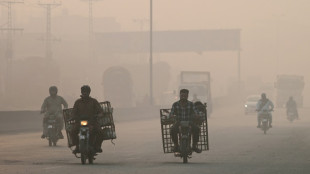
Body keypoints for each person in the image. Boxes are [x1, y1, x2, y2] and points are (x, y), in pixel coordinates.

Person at [70, 85, 104, 154]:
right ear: (81, 92)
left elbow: (100, 111)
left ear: (89, 92)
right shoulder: (77, 102)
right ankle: (77, 146)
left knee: (101, 132)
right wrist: (73, 116)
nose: (85, 93)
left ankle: (97, 146)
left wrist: (99, 115)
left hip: (92, 122)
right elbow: (73, 112)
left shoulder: (94, 101)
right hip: (80, 122)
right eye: (83, 92)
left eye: (86, 92)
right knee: (72, 132)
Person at [169, 89, 202, 153]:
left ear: (187, 96)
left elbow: (196, 112)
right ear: (180, 96)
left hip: (189, 122)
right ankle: (176, 145)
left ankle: (194, 146)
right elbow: (171, 113)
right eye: (182, 95)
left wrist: (197, 115)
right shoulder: (175, 104)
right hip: (178, 122)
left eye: (185, 95)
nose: (183, 97)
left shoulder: (191, 104)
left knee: (197, 129)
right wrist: (171, 116)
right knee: (172, 130)